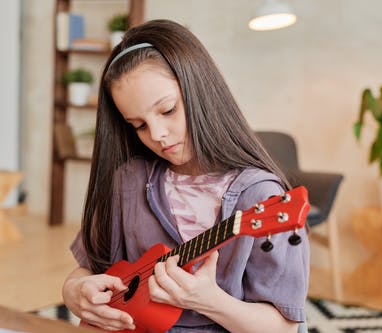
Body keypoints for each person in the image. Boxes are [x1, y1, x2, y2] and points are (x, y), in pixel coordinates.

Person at [62, 19, 309, 333]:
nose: (158, 134)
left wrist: (209, 301)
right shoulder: (129, 180)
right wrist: (73, 291)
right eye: (138, 125)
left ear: (200, 89)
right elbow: (87, 267)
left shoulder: (260, 198)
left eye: (167, 110)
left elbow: (283, 328)